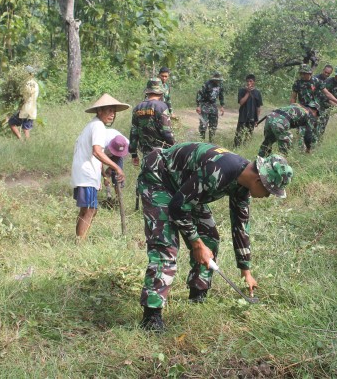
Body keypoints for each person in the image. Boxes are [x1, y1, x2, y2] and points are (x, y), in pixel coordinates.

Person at [136, 142, 293, 331]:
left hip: (186, 190)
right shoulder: (220, 171)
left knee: (209, 237)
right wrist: (196, 244)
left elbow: (240, 226)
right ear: (259, 181)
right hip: (159, 177)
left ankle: (198, 294)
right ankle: (151, 317)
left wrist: (246, 271)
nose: (267, 196)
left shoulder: (243, 183)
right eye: (269, 191)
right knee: (166, 247)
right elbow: (177, 207)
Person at [70, 93, 130, 240]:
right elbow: (97, 152)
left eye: (113, 111)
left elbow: (96, 154)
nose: (112, 114)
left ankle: (79, 239)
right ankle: (80, 242)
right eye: (108, 110)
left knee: (88, 209)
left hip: (85, 172)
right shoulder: (97, 126)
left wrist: (102, 175)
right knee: (90, 209)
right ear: (99, 111)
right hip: (86, 173)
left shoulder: (94, 125)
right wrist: (116, 167)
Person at [290, 64, 337, 144]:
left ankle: (313, 149)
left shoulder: (316, 81)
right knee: (301, 132)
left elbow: (327, 94)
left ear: (309, 73)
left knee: (316, 132)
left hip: (315, 111)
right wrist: (293, 108)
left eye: (304, 73)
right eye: (301, 73)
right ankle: (302, 149)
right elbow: (293, 97)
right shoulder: (297, 83)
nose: (302, 75)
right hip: (302, 110)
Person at [129, 78, 175, 167]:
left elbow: (133, 133)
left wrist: (134, 154)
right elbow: (166, 132)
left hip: (146, 155)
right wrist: (175, 147)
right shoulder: (162, 107)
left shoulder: (137, 108)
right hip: (161, 154)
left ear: (147, 92)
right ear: (161, 93)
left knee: (147, 178)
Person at [8, 65, 39, 140]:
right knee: (26, 128)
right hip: (32, 109)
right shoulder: (36, 84)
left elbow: (23, 96)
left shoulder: (25, 84)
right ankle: (23, 142)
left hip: (25, 109)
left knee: (12, 123)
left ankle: (22, 140)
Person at [234, 74, 263, 148]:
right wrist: (248, 92)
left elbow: (258, 107)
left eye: (251, 81)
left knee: (249, 135)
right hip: (243, 116)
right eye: (247, 81)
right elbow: (241, 102)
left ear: (254, 82)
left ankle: (245, 148)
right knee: (239, 134)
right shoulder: (242, 91)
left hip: (252, 117)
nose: (249, 83)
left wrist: (257, 119)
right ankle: (236, 148)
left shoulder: (257, 93)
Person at [196, 72, 225, 142]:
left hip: (213, 106)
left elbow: (221, 95)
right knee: (203, 125)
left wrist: (222, 106)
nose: (217, 81)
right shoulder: (207, 84)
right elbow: (200, 94)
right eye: (216, 80)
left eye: (219, 80)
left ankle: (211, 143)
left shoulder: (220, 85)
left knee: (213, 126)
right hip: (204, 105)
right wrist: (198, 106)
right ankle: (201, 142)